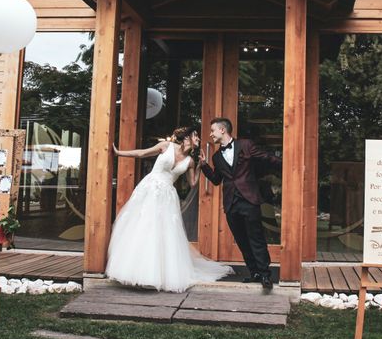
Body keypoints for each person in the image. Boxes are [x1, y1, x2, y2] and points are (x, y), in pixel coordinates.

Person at [107, 126, 233, 292]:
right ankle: (136, 270)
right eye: (196, 136)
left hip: (167, 196)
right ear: (187, 137)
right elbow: (142, 153)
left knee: (163, 232)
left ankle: (157, 274)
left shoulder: (190, 161)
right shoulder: (166, 146)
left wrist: (200, 165)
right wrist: (119, 153)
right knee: (144, 226)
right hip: (150, 189)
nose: (198, 139)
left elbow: (193, 183)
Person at [200, 117, 281, 289]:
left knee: (256, 238)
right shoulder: (216, 157)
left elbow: (266, 158)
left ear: (223, 130)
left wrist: (288, 165)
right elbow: (216, 180)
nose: (211, 134)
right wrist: (204, 165)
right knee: (242, 240)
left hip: (249, 200)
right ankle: (254, 273)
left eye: (213, 130)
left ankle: (265, 275)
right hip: (231, 204)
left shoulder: (245, 145)